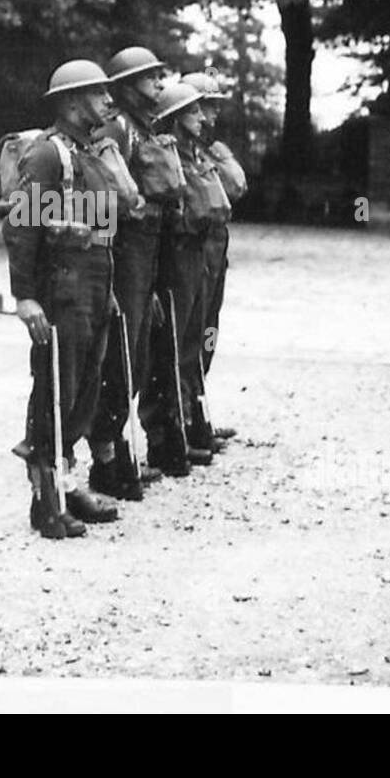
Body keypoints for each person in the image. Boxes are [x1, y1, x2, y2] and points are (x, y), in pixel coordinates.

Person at [3, 59, 122, 538]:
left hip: (93, 281)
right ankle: (44, 499)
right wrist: (25, 297)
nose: (109, 102)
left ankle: (66, 484)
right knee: (57, 388)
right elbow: (23, 227)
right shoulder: (47, 156)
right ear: (73, 103)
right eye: (99, 94)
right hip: (63, 285)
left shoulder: (88, 155)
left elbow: (103, 224)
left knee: (85, 390)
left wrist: (108, 290)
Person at [89, 45, 182, 494]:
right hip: (125, 257)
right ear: (127, 86)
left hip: (146, 260)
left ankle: (118, 447)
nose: (159, 85)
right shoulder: (116, 131)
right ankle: (106, 455)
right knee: (119, 358)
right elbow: (101, 201)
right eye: (150, 78)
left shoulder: (145, 129)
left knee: (137, 358)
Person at [143, 78, 230, 471]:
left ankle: (189, 418)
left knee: (195, 338)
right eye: (193, 111)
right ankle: (168, 428)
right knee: (172, 345)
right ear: (176, 118)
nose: (202, 117)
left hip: (197, 251)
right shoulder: (166, 153)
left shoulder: (198, 154)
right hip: (176, 253)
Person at [182, 71, 248, 447]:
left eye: (212, 107)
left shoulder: (211, 150)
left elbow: (237, 187)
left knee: (208, 332)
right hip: (194, 246)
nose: (211, 116)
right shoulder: (176, 149)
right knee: (189, 336)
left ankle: (199, 409)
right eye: (205, 107)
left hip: (215, 245)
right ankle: (187, 418)